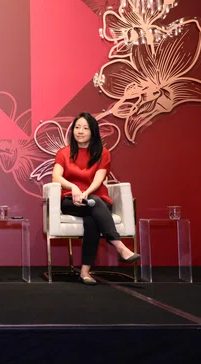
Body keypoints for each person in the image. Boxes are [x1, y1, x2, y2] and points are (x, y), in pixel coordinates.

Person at [51, 112, 140, 285]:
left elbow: (99, 180)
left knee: (92, 216)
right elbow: (56, 177)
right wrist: (74, 188)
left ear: (93, 131)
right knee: (92, 207)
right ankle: (119, 247)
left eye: (85, 128)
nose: (80, 131)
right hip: (71, 200)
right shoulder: (64, 153)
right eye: (77, 127)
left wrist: (86, 193)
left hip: (96, 198)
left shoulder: (102, 153)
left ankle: (85, 272)